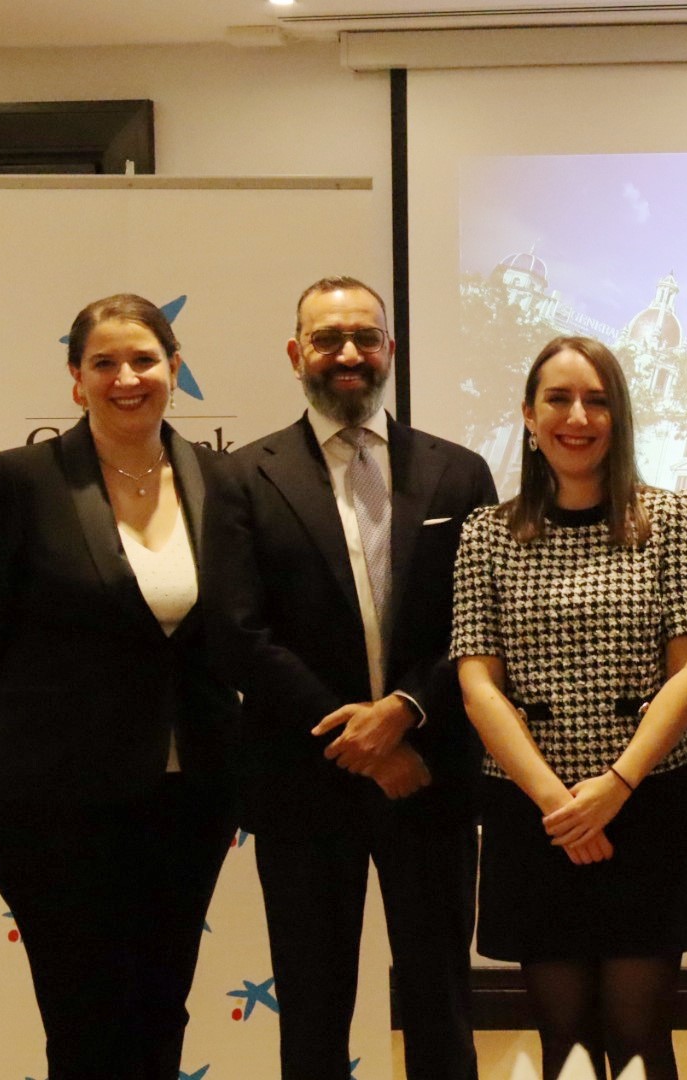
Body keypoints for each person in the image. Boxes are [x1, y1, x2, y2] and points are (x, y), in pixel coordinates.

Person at [209, 276, 495, 1079]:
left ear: (390, 352)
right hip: (304, 783)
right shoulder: (240, 477)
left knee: (442, 1004)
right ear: (296, 353)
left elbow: (479, 625)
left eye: (365, 337)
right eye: (328, 338)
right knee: (313, 1006)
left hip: (430, 777)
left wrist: (403, 712)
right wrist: (362, 737)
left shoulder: (459, 473)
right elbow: (238, 634)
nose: (348, 353)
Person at [0, 294, 238, 1079]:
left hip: (188, 799)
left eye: (145, 360)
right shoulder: (18, 481)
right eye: (104, 363)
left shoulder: (221, 479)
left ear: (176, 370)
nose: (127, 377)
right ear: (74, 379)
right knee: (83, 1010)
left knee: (163, 1003)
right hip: (49, 806)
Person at [452, 335, 687, 1079]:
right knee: (562, 1043)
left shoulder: (675, 520)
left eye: (597, 400)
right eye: (559, 399)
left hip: (646, 803)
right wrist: (559, 805)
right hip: (532, 815)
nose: (579, 416)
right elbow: (478, 684)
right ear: (530, 417)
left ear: (620, 415)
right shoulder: (485, 533)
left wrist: (613, 789)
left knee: (641, 1042)